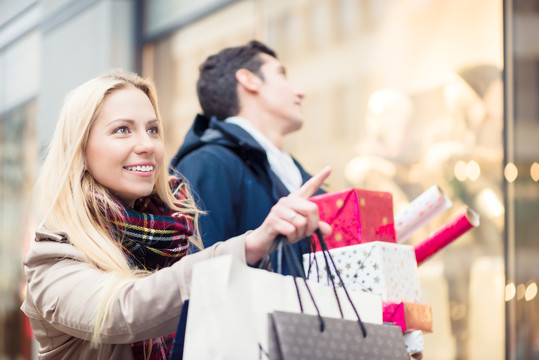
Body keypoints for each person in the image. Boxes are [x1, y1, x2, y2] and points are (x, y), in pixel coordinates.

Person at [20, 70, 331, 359]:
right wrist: (247, 247)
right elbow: (123, 310)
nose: (146, 144)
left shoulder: (177, 233)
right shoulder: (53, 255)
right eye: (122, 130)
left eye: (153, 129)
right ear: (81, 152)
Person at [170, 40, 324, 270]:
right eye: (281, 74)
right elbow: (197, 277)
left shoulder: (292, 172)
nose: (300, 92)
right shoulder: (207, 164)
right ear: (249, 80)